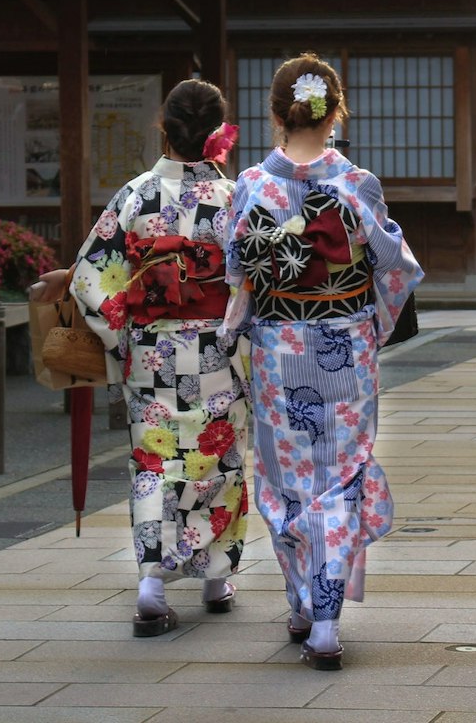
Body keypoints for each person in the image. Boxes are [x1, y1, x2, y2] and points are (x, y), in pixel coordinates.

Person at [220, 53, 423, 670]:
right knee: (341, 472)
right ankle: (328, 618)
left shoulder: (253, 185)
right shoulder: (356, 183)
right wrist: (371, 327)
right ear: (336, 112)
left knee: (286, 478)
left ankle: (303, 603)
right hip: (347, 347)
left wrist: (246, 327)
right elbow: (396, 269)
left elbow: (239, 275)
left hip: (281, 348)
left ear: (277, 114)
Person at [62, 79, 249, 637]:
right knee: (221, 458)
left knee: (155, 461)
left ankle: (150, 583)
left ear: (163, 129)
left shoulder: (136, 195)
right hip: (217, 347)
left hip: (152, 351)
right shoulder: (236, 198)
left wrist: (122, 334)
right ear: (218, 136)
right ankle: (215, 577)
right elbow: (250, 283)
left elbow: (92, 276)